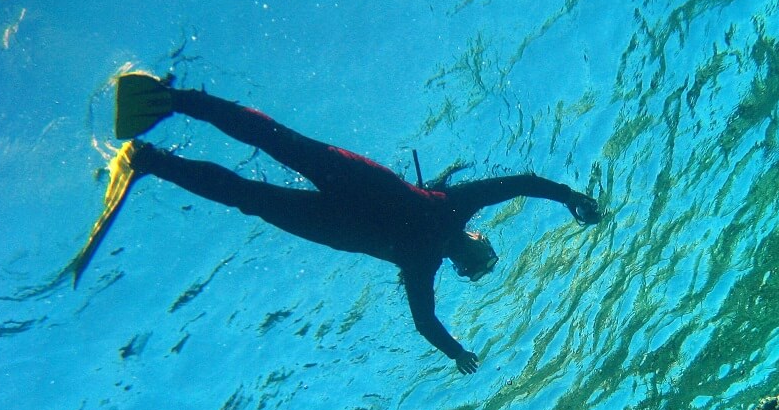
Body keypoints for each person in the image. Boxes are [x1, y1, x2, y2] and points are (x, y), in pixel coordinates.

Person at [79, 72, 601, 374]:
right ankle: (171, 104)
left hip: (340, 218)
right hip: (355, 196)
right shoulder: (450, 209)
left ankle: (148, 157)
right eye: (486, 258)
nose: (478, 261)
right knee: (279, 145)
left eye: (479, 269)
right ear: (479, 238)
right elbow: (523, 183)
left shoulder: (429, 254)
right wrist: (570, 196)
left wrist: (456, 351)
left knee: (252, 191)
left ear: (464, 266)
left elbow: (425, 322)